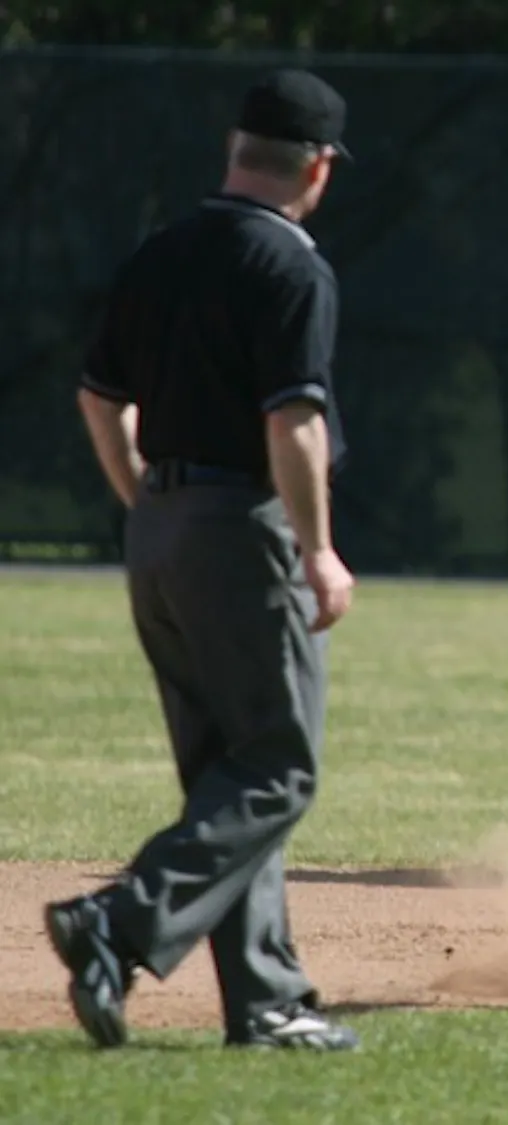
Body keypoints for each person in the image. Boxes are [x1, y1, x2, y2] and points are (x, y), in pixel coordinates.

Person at [46, 69, 360, 1051]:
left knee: (227, 775)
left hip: (160, 534)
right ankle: (116, 921)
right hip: (240, 528)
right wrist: (318, 551)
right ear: (318, 168)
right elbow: (293, 421)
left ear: (235, 151)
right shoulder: (290, 264)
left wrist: (146, 499)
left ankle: (264, 1000)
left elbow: (99, 396)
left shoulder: (162, 250)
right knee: (278, 768)